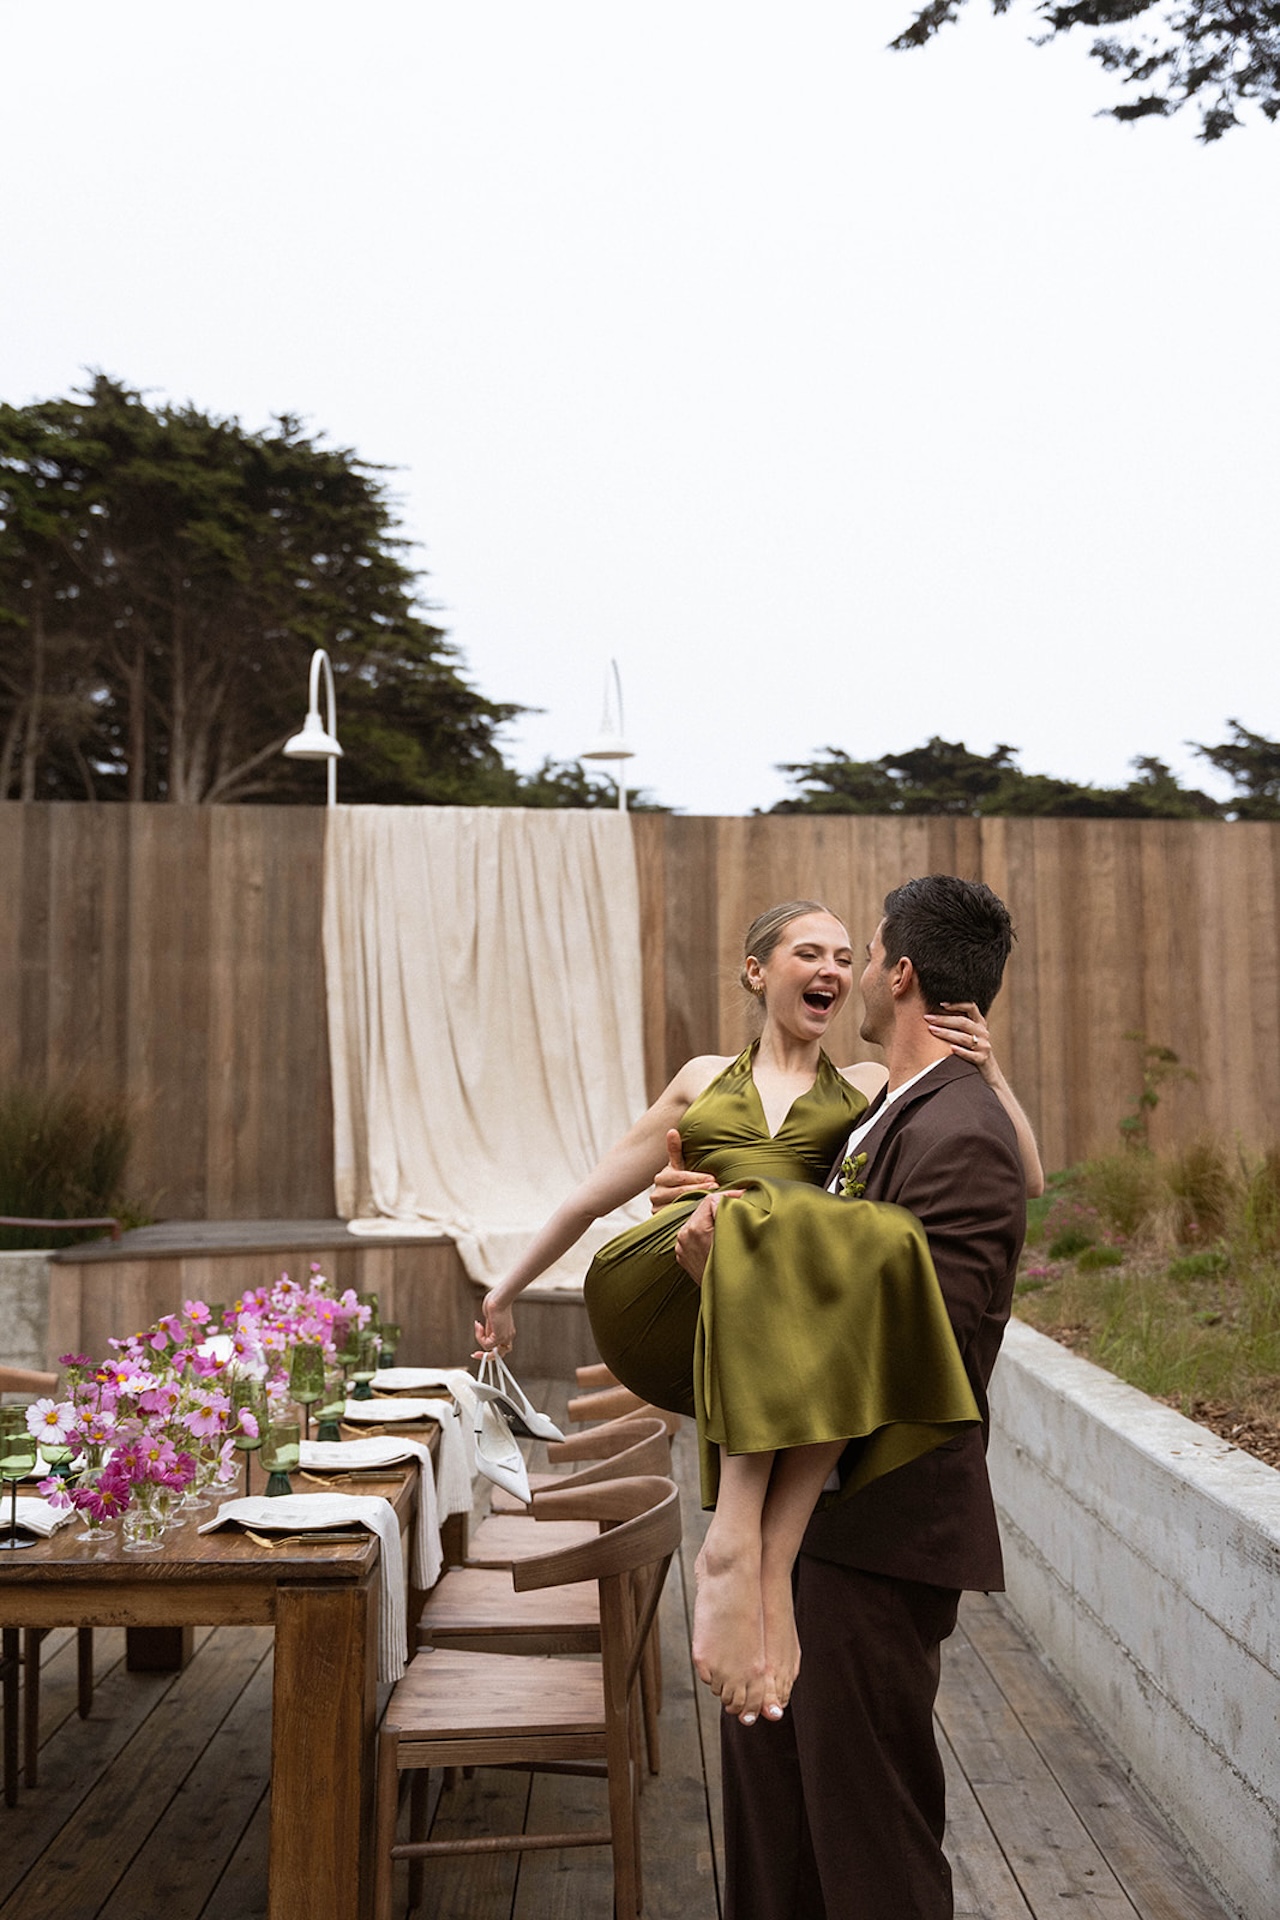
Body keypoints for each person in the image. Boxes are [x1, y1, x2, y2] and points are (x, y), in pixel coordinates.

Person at [475, 899, 1044, 1716]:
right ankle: (745, 1552)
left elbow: (1020, 1174)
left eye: (850, 957)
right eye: (811, 952)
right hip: (689, 1287)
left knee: (793, 1251)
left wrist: (990, 1072)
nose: (835, 972)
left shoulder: (871, 1088)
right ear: (757, 971)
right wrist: (505, 1286)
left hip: (787, 1313)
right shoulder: (703, 1081)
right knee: (752, 1231)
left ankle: (750, 1561)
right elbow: (590, 1196)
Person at [665, 875, 1029, 1920]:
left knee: (868, 1846)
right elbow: (833, 1279)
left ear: (899, 973)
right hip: (821, 1527)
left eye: (865, 955)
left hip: (877, 1533)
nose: (855, 974)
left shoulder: (957, 1128)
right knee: (780, 1833)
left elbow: (927, 1352)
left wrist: (746, 1259)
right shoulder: (886, 1119)